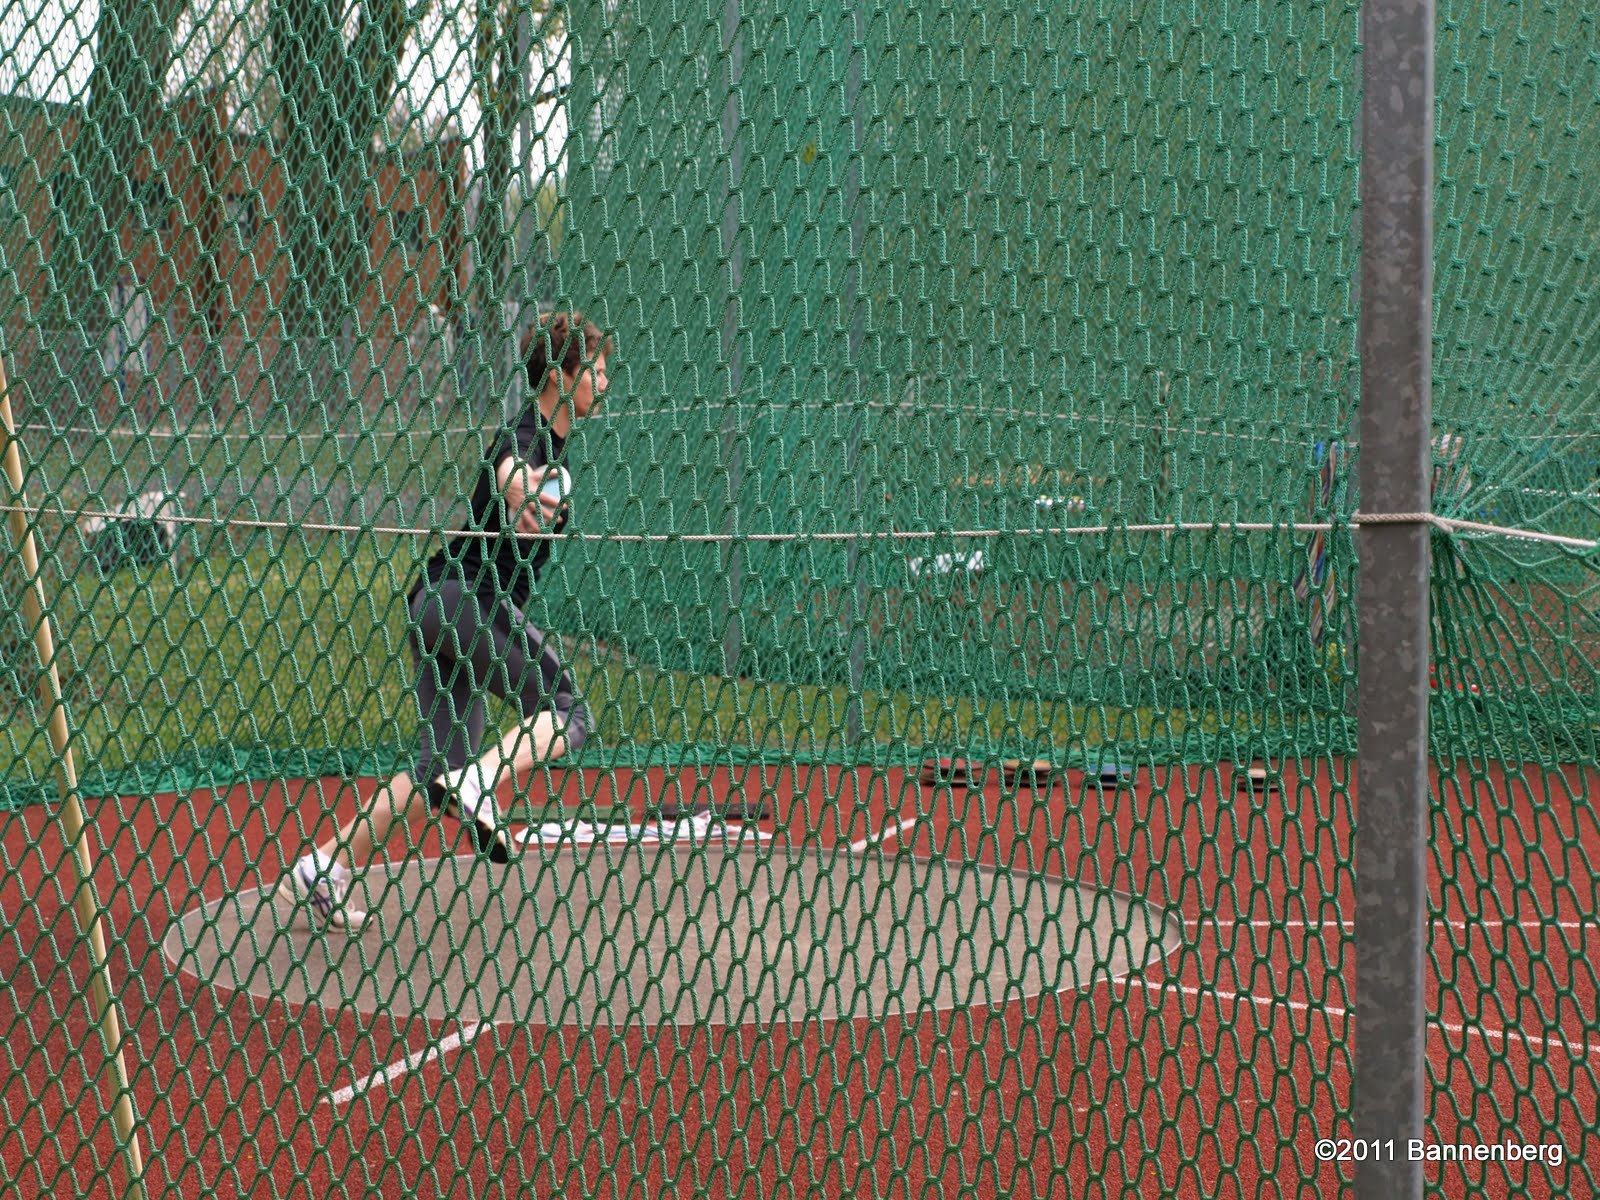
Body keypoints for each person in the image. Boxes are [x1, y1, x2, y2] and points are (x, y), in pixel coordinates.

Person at [274, 311, 610, 932]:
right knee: (570, 711)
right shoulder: (526, 435)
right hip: (468, 601)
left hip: (433, 603)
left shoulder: (552, 447)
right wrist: (518, 489)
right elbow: (510, 469)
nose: (605, 380)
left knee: (436, 775)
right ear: (560, 377)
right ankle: (482, 780)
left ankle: (325, 866)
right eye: (595, 368)